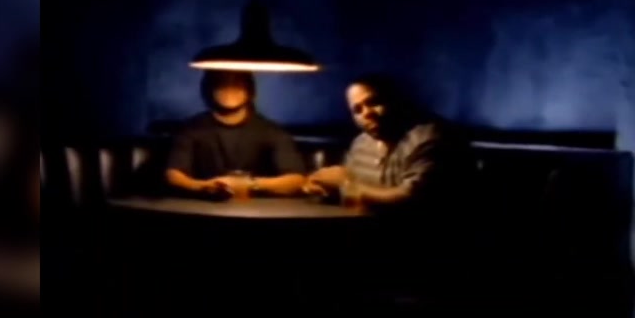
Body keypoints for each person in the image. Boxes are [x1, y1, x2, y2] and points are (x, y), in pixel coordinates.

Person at [304, 73, 470, 214]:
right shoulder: (361, 144)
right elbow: (358, 192)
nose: (367, 113)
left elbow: (410, 200)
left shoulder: (429, 137)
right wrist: (327, 188)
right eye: (357, 110)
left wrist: (346, 185)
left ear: (395, 101)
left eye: (374, 102)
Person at [166, 70, 307, 198]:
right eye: (222, 83)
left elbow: (296, 180)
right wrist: (203, 186)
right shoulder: (192, 128)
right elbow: (174, 175)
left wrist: (248, 184)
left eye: (237, 83)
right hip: (202, 209)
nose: (229, 89)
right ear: (209, 89)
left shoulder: (271, 131)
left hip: (259, 211)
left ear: (249, 89)